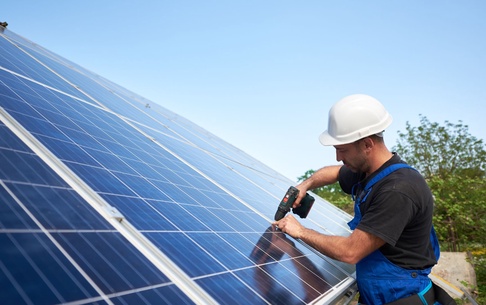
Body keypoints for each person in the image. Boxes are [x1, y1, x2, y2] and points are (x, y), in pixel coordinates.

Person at [273, 94, 456, 305]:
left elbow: (351, 252)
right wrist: (305, 185)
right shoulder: (370, 172)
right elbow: (334, 172)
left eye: (342, 150)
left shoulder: (398, 189)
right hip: (378, 297)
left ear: (367, 145)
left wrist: (301, 231)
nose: (338, 157)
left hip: (401, 298)